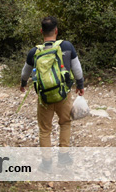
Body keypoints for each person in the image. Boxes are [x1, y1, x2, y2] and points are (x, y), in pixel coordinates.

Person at [20, 16, 85, 154]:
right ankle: (64, 157)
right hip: (63, 95)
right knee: (65, 123)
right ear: (56, 30)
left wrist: (23, 84)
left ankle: (47, 162)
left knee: (45, 130)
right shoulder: (67, 46)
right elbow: (77, 69)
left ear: (41, 31)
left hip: (44, 98)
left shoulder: (34, 52)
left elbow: (25, 72)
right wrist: (80, 85)